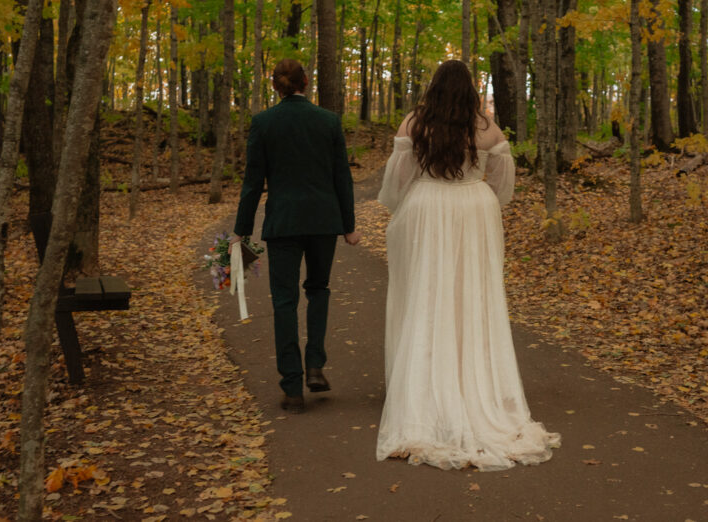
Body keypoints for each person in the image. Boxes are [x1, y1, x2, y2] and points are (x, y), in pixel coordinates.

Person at [376, 59, 560, 471]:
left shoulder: (414, 123)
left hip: (429, 207)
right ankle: (473, 383)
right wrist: (474, 192)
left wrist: (405, 207)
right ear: (470, 90)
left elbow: (397, 182)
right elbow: (502, 183)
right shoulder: (486, 127)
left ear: (434, 88)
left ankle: (425, 390)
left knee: (425, 293)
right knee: (471, 297)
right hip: (473, 210)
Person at [232, 58, 360, 414]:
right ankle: (315, 364)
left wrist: (240, 231)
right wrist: (348, 225)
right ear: (306, 81)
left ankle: (291, 387)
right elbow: (341, 178)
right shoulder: (328, 121)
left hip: (283, 223)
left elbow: (253, 183)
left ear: (276, 86)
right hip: (323, 221)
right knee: (318, 289)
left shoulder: (263, 123)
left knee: (284, 302)